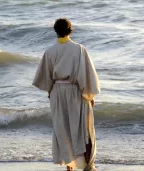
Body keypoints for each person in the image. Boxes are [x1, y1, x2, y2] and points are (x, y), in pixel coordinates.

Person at [33, 18, 100, 171]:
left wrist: (51, 93)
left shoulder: (50, 51)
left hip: (57, 91)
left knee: (62, 128)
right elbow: (85, 75)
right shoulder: (79, 49)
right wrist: (90, 96)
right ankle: (88, 166)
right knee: (82, 128)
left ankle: (69, 166)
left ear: (55, 31)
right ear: (71, 30)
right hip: (75, 91)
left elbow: (46, 78)